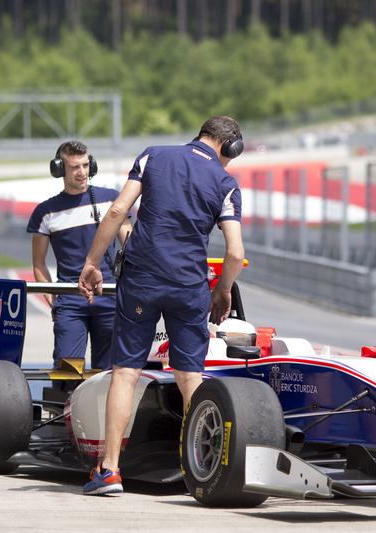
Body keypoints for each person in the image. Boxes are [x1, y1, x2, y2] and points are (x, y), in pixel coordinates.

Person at [77, 116, 246, 496]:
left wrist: (92, 264)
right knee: (190, 378)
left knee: (126, 373)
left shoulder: (154, 156)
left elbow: (117, 212)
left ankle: (109, 471)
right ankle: (198, 468)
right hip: (190, 286)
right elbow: (235, 253)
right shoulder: (225, 182)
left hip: (142, 278)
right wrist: (222, 291)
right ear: (230, 148)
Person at [28, 140, 131, 371]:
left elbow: (131, 247)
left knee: (109, 372)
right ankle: (64, 408)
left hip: (110, 296)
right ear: (59, 169)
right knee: (67, 372)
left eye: (85, 165)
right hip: (69, 300)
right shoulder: (45, 212)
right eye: (75, 167)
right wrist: (51, 299)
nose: (82, 172)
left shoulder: (111, 199)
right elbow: (39, 264)